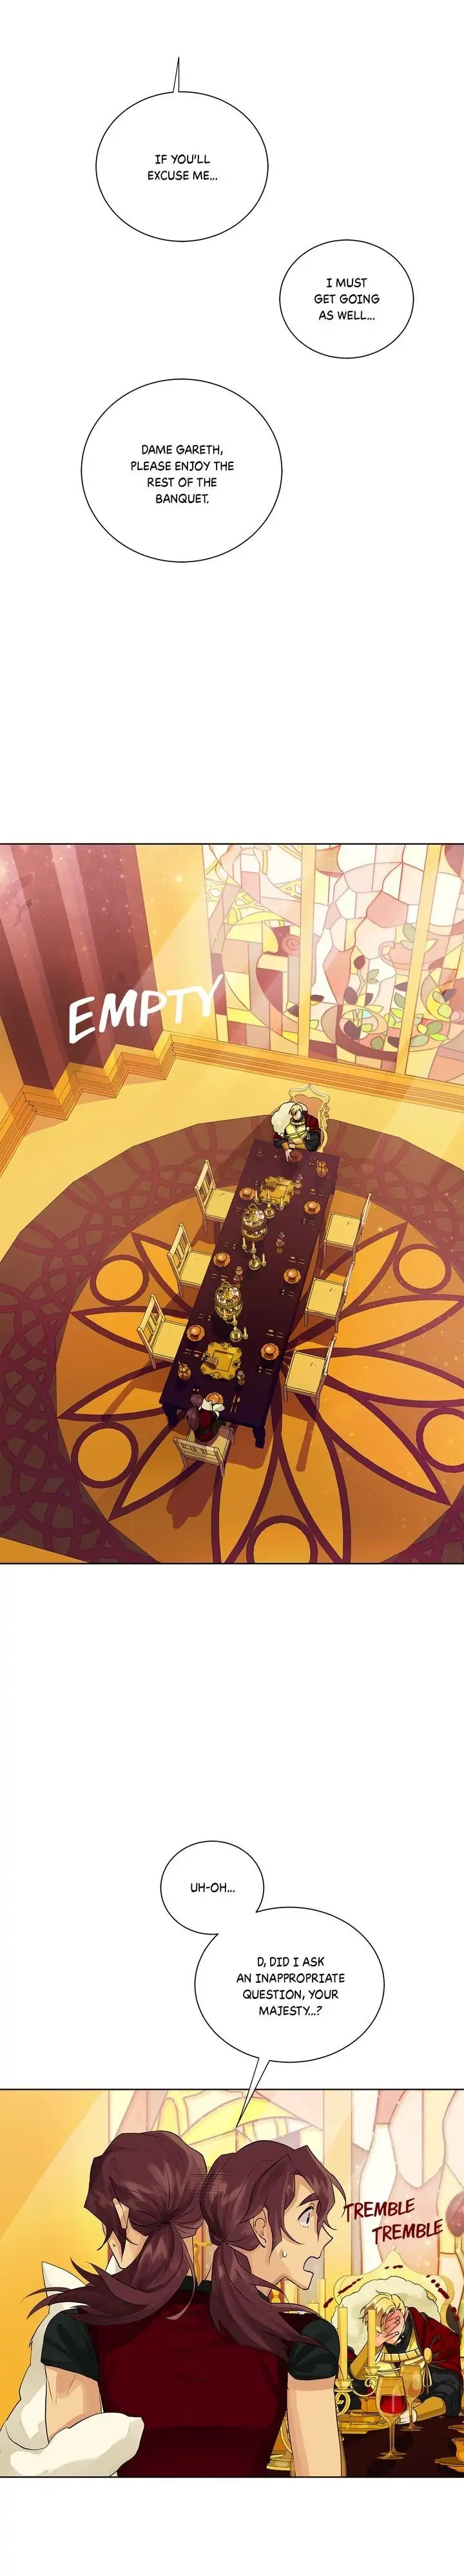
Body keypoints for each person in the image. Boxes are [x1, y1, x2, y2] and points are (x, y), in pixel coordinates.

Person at [30, 2131, 343, 2476]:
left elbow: (75, 2479)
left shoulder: (77, 2331)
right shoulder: (303, 2337)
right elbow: (321, 2479)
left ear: (120, 2214)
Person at [200, 2138, 343, 2475]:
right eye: (307, 2216)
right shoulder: (305, 2337)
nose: (325, 2237)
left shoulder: (161, 2317)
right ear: (262, 2227)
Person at [351, 2291, 462, 2418]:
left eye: (393, 2319)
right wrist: (373, 2346)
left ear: (404, 2314)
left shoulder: (432, 2335)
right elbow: (356, 2382)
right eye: (379, 2325)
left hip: (424, 2419)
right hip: (382, 2415)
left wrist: (415, 2415)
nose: (388, 2328)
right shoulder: (377, 2342)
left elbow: (449, 2390)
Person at [271, 1095, 322, 1159]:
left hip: (306, 1152)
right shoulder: (286, 1122)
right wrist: (287, 1149)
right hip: (289, 1150)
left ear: (301, 1112)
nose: (294, 1116)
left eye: (296, 1114)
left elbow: (313, 1145)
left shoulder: (312, 1121)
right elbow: (279, 1138)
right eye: (293, 1115)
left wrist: (294, 1146)